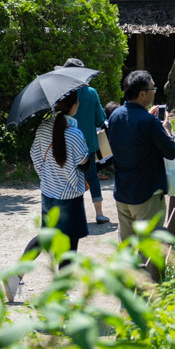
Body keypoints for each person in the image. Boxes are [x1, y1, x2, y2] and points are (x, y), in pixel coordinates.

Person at [4, 91, 90, 302]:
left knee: (44, 237)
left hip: (49, 192)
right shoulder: (75, 133)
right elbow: (84, 163)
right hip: (70, 196)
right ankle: (62, 294)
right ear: (73, 106)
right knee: (70, 245)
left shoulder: (43, 128)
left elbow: (35, 154)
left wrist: (46, 176)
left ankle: (15, 277)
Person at [108, 70, 175, 279]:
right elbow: (171, 152)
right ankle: (149, 298)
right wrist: (166, 129)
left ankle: (126, 294)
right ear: (141, 94)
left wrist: (152, 122)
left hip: (123, 193)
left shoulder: (116, 116)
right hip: (146, 195)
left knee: (127, 249)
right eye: (152, 88)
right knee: (148, 249)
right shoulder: (149, 123)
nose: (155, 92)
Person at [56, 58, 110, 225]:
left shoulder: (62, 92)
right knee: (92, 177)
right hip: (88, 145)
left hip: (65, 142)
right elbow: (100, 120)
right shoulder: (91, 92)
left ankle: (69, 214)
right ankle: (99, 213)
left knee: (67, 179)